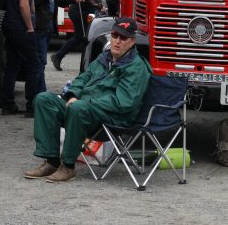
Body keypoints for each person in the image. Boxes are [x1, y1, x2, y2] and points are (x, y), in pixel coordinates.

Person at [25, 17, 152, 182]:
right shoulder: (104, 58)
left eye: (123, 38)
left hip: (113, 117)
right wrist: (72, 95)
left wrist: (85, 102)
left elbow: (124, 103)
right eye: (115, 35)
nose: (118, 41)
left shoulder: (136, 67)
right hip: (84, 109)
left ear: (132, 41)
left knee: (78, 108)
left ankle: (68, 166)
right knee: (44, 99)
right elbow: (82, 79)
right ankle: (51, 161)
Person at [30, 0, 77, 96]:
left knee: (40, 63)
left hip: (47, 25)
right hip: (38, 25)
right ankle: (37, 99)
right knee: (38, 63)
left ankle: (40, 97)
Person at [1, 0, 39, 118]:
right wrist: (30, 27)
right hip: (20, 26)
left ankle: (7, 104)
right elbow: (24, 4)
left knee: (13, 64)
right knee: (33, 65)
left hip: (9, 22)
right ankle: (32, 105)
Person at [51, 0, 106, 71]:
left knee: (81, 37)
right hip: (80, 11)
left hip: (81, 11)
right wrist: (98, 5)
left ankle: (59, 56)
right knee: (83, 37)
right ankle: (59, 56)